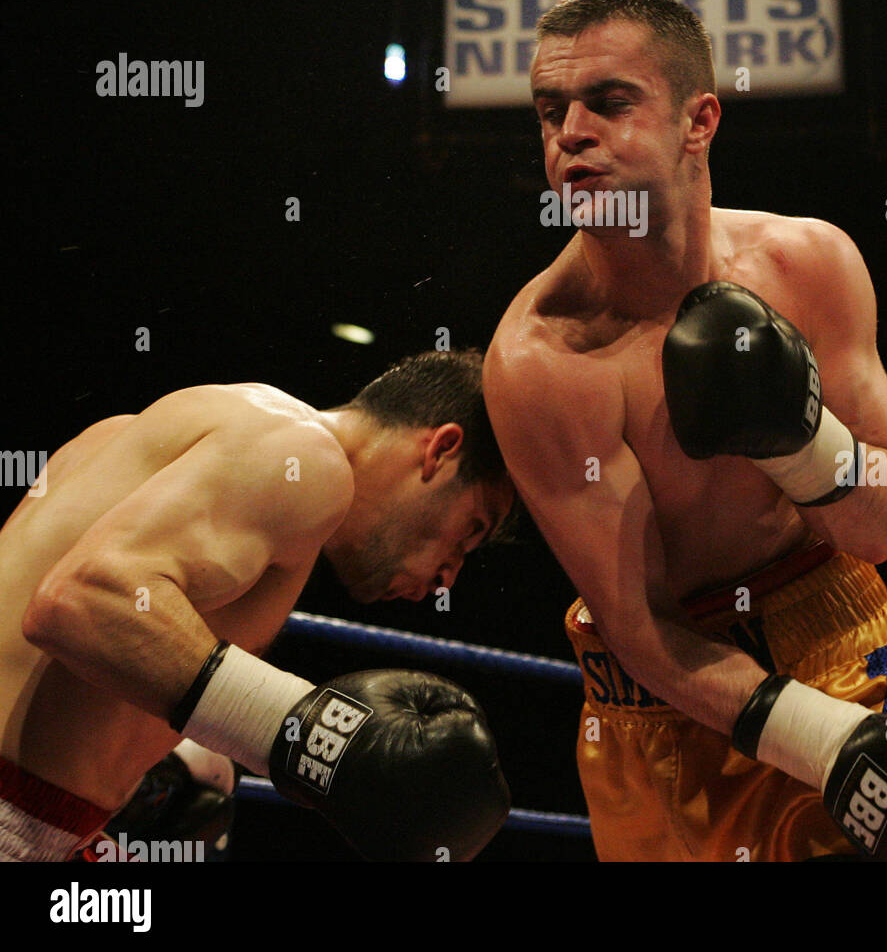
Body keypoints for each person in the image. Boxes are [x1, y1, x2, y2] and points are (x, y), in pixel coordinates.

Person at [484, 0, 887, 862]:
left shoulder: (808, 265)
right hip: (662, 700)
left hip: (842, 638)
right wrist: (822, 743)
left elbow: (884, 523)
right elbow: (642, 624)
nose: (569, 133)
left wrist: (801, 440)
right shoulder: (541, 361)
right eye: (551, 111)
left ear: (699, 121)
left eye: (610, 102)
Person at [0, 350, 515, 862]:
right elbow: (83, 601)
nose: (451, 573)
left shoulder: (130, 433)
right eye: (470, 530)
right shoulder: (308, 463)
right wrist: (312, 740)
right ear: (441, 450)